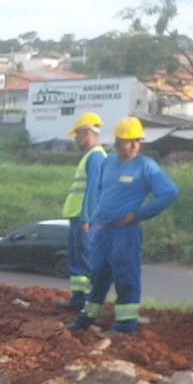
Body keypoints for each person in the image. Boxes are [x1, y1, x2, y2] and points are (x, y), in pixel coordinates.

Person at [66, 118, 178, 334]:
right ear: (118, 142)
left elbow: (169, 193)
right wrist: (97, 219)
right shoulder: (108, 163)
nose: (135, 145)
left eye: (138, 140)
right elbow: (101, 192)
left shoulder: (145, 166)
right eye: (129, 141)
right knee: (98, 274)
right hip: (103, 230)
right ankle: (87, 316)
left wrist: (138, 215)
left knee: (125, 275)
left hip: (125, 231)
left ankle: (125, 325)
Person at [59, 113, 107, 310]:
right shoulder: (91, 156)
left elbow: (93, 190)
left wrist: (87, 218)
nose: (75, 139)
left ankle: (87, 302)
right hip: (78, 216)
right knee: (78, 261)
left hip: (83, 218)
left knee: (85, 261)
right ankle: (79, 300)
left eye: (77, 134)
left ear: (86, 133)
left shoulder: (95, 157)